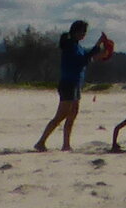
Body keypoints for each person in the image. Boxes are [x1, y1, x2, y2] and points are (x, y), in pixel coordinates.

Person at [32, 20, 112, 152]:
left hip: (75, 83)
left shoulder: (77, 46)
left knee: (72, 114)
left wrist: (99, 49)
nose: (84, 35)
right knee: (62, 115)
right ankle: (41, 142)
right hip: (68, 83)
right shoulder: (70, 46)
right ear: (75, 32)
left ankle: (66, 144)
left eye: (85, 32)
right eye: (82, 32)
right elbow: (81, 61)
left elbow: (86, 57)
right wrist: (97, 50)